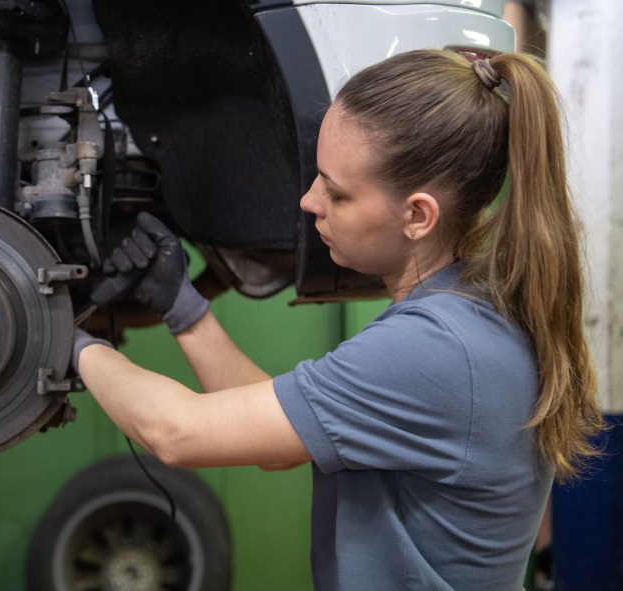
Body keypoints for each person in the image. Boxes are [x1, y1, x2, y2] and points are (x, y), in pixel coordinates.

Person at [73, 49, 604, 590]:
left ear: (417, 215)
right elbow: (282, 434)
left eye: (336, 190)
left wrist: (65, 338)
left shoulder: (435, 349)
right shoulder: (465, 317)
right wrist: (181, 305)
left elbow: (175, 433)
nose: (309, 201)